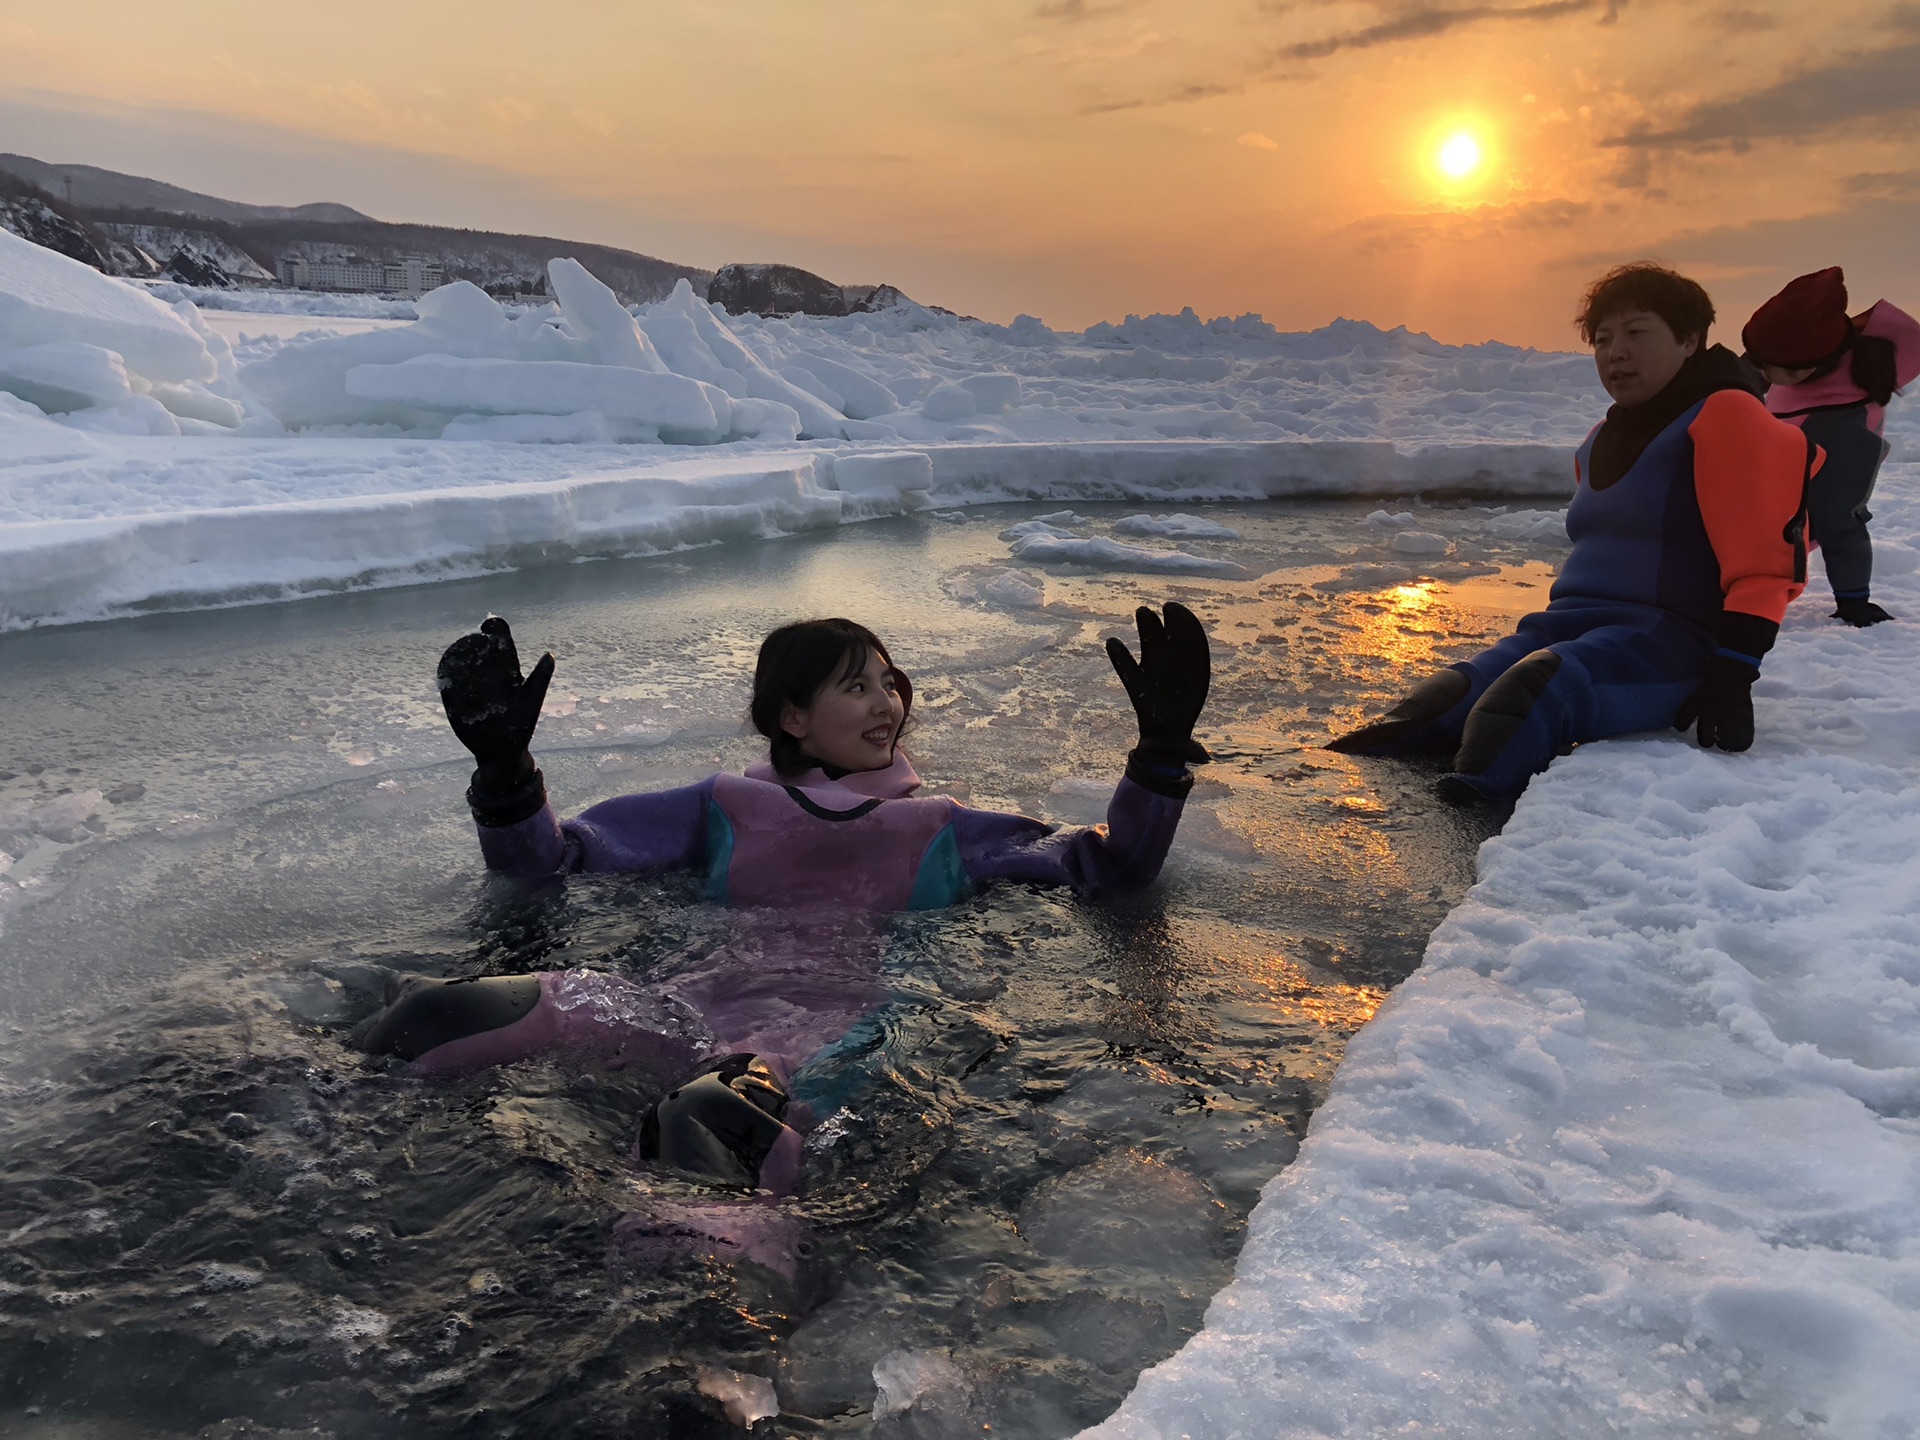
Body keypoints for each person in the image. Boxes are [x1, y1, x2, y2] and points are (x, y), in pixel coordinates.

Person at [355, 605, 1211, 1198]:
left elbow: (1111, 869)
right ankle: (300, 1120)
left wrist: (1160, 759)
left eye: (890, 681)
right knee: (435, 1016)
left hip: (824, 1043)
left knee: (708, 1122)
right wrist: (505, 775)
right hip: (671, 1007)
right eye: (858, 687)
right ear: (792, 716)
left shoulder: (945, 828)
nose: (890, 703)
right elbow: (549, 865)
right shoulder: (720, 803)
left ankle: (699, 1362)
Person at [1328, 262, 1817, 802]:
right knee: (1445, 699)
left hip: (1666, 645)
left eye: (1636, 333)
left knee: (1530, 693)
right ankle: (1313, 795)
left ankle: (1459, 826)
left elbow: (1767, 560)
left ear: (1690, 340)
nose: (1615, 352)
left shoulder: (1728, 415)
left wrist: (1735, 671)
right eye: (1602, 339)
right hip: (1564, 628)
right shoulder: (1599, 437)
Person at [1741, 267, 1920, 626]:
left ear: (1822, 361)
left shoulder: (1845, 421)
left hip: (1826, 462)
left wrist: (1853, 601)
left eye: (1785, 371)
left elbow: (1840, 520)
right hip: (1783, 456)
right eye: (1762, 364)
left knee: (1833, 516)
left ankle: (1853, 598)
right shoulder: (1782, 357)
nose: (1770, 377)